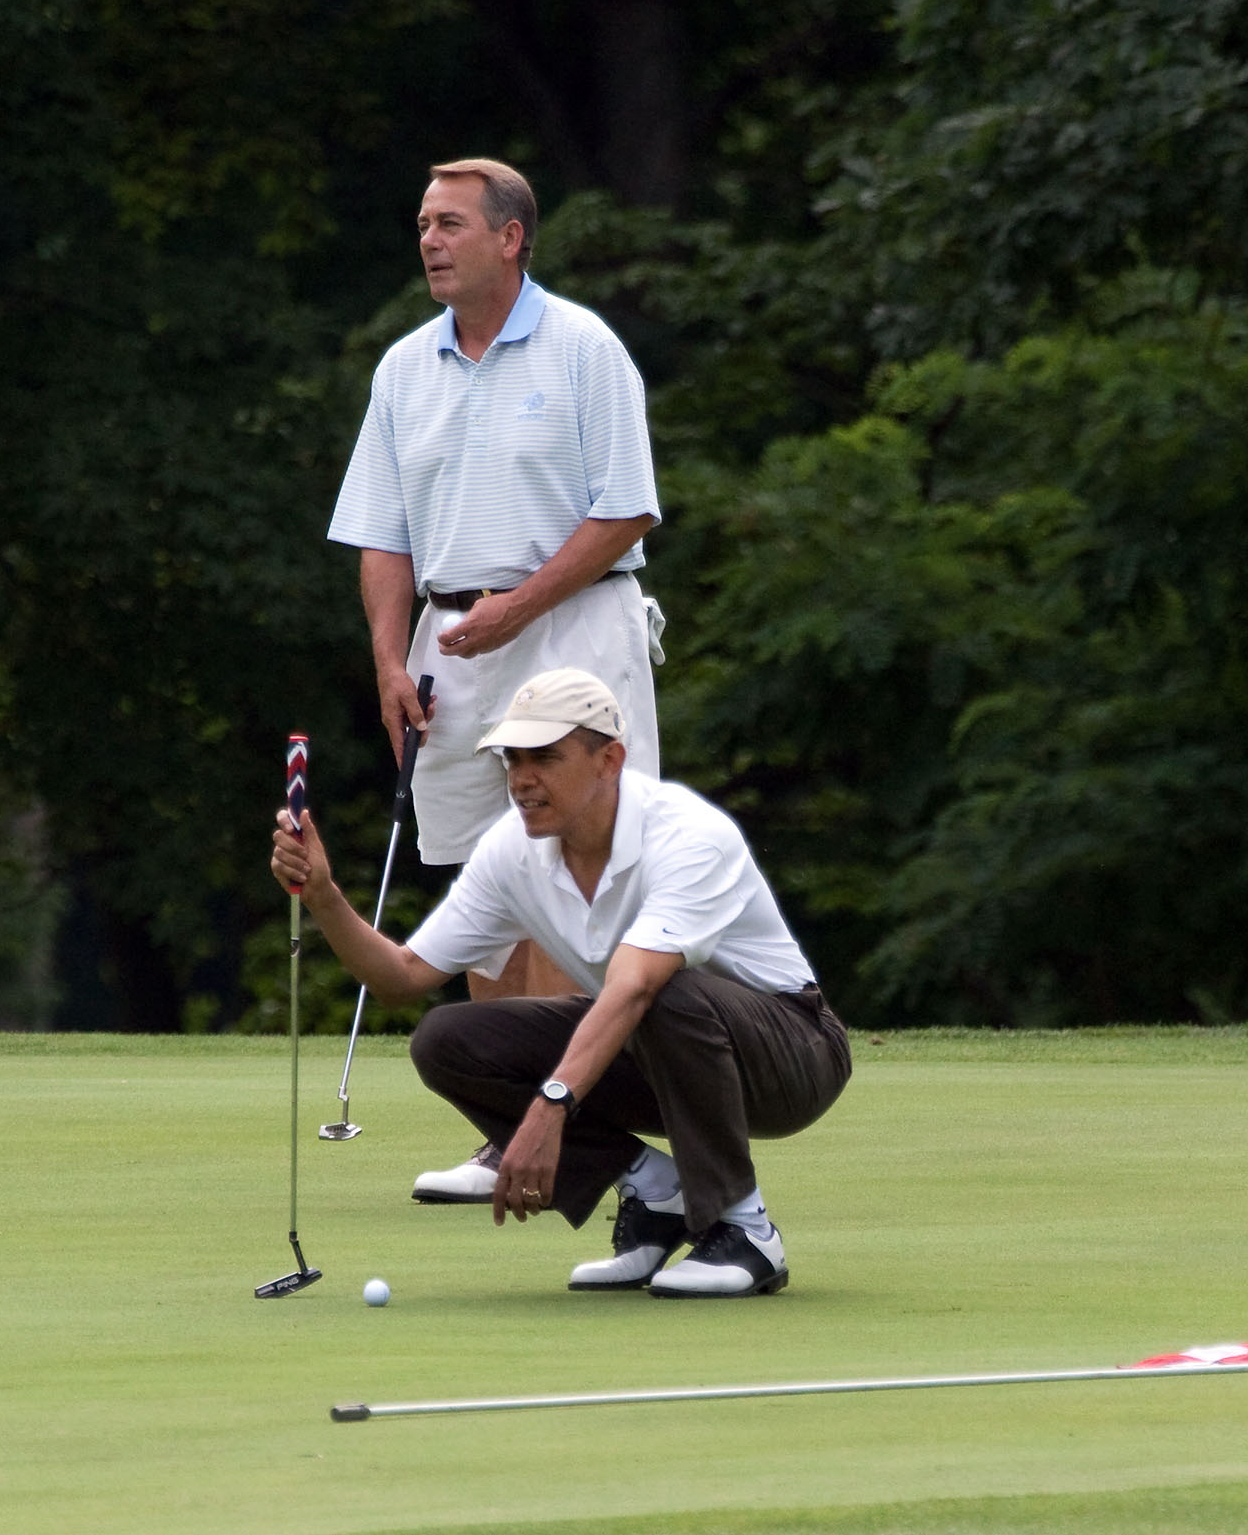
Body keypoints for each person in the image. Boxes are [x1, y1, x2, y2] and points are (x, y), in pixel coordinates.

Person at [268, 669, 851, 1297]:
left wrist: (550, 1106)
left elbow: (633, 988)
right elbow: (403, 978)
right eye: (512, 759)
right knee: (445, 1040)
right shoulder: (512, 849)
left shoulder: (687, 835)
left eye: (545, 757)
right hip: (657, 1049)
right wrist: (324, 897)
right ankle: (656, 1195)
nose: (522, 779)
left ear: (610, 759)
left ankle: (746, 1228)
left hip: (793, 1056)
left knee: (659, 988)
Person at [327, 157, 665, 1203]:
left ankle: (563, 1123)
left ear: (511, 239)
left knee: (573, 875)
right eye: (423, 223)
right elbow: (381, 536)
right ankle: (503, 1127)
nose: (430, 241)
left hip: (571, 627)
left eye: (452, 225)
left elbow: (628, 510)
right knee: (488, 876)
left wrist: (517, 608)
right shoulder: (402, 370)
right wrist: (391, 659)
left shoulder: (583, 348)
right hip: (450, 642)